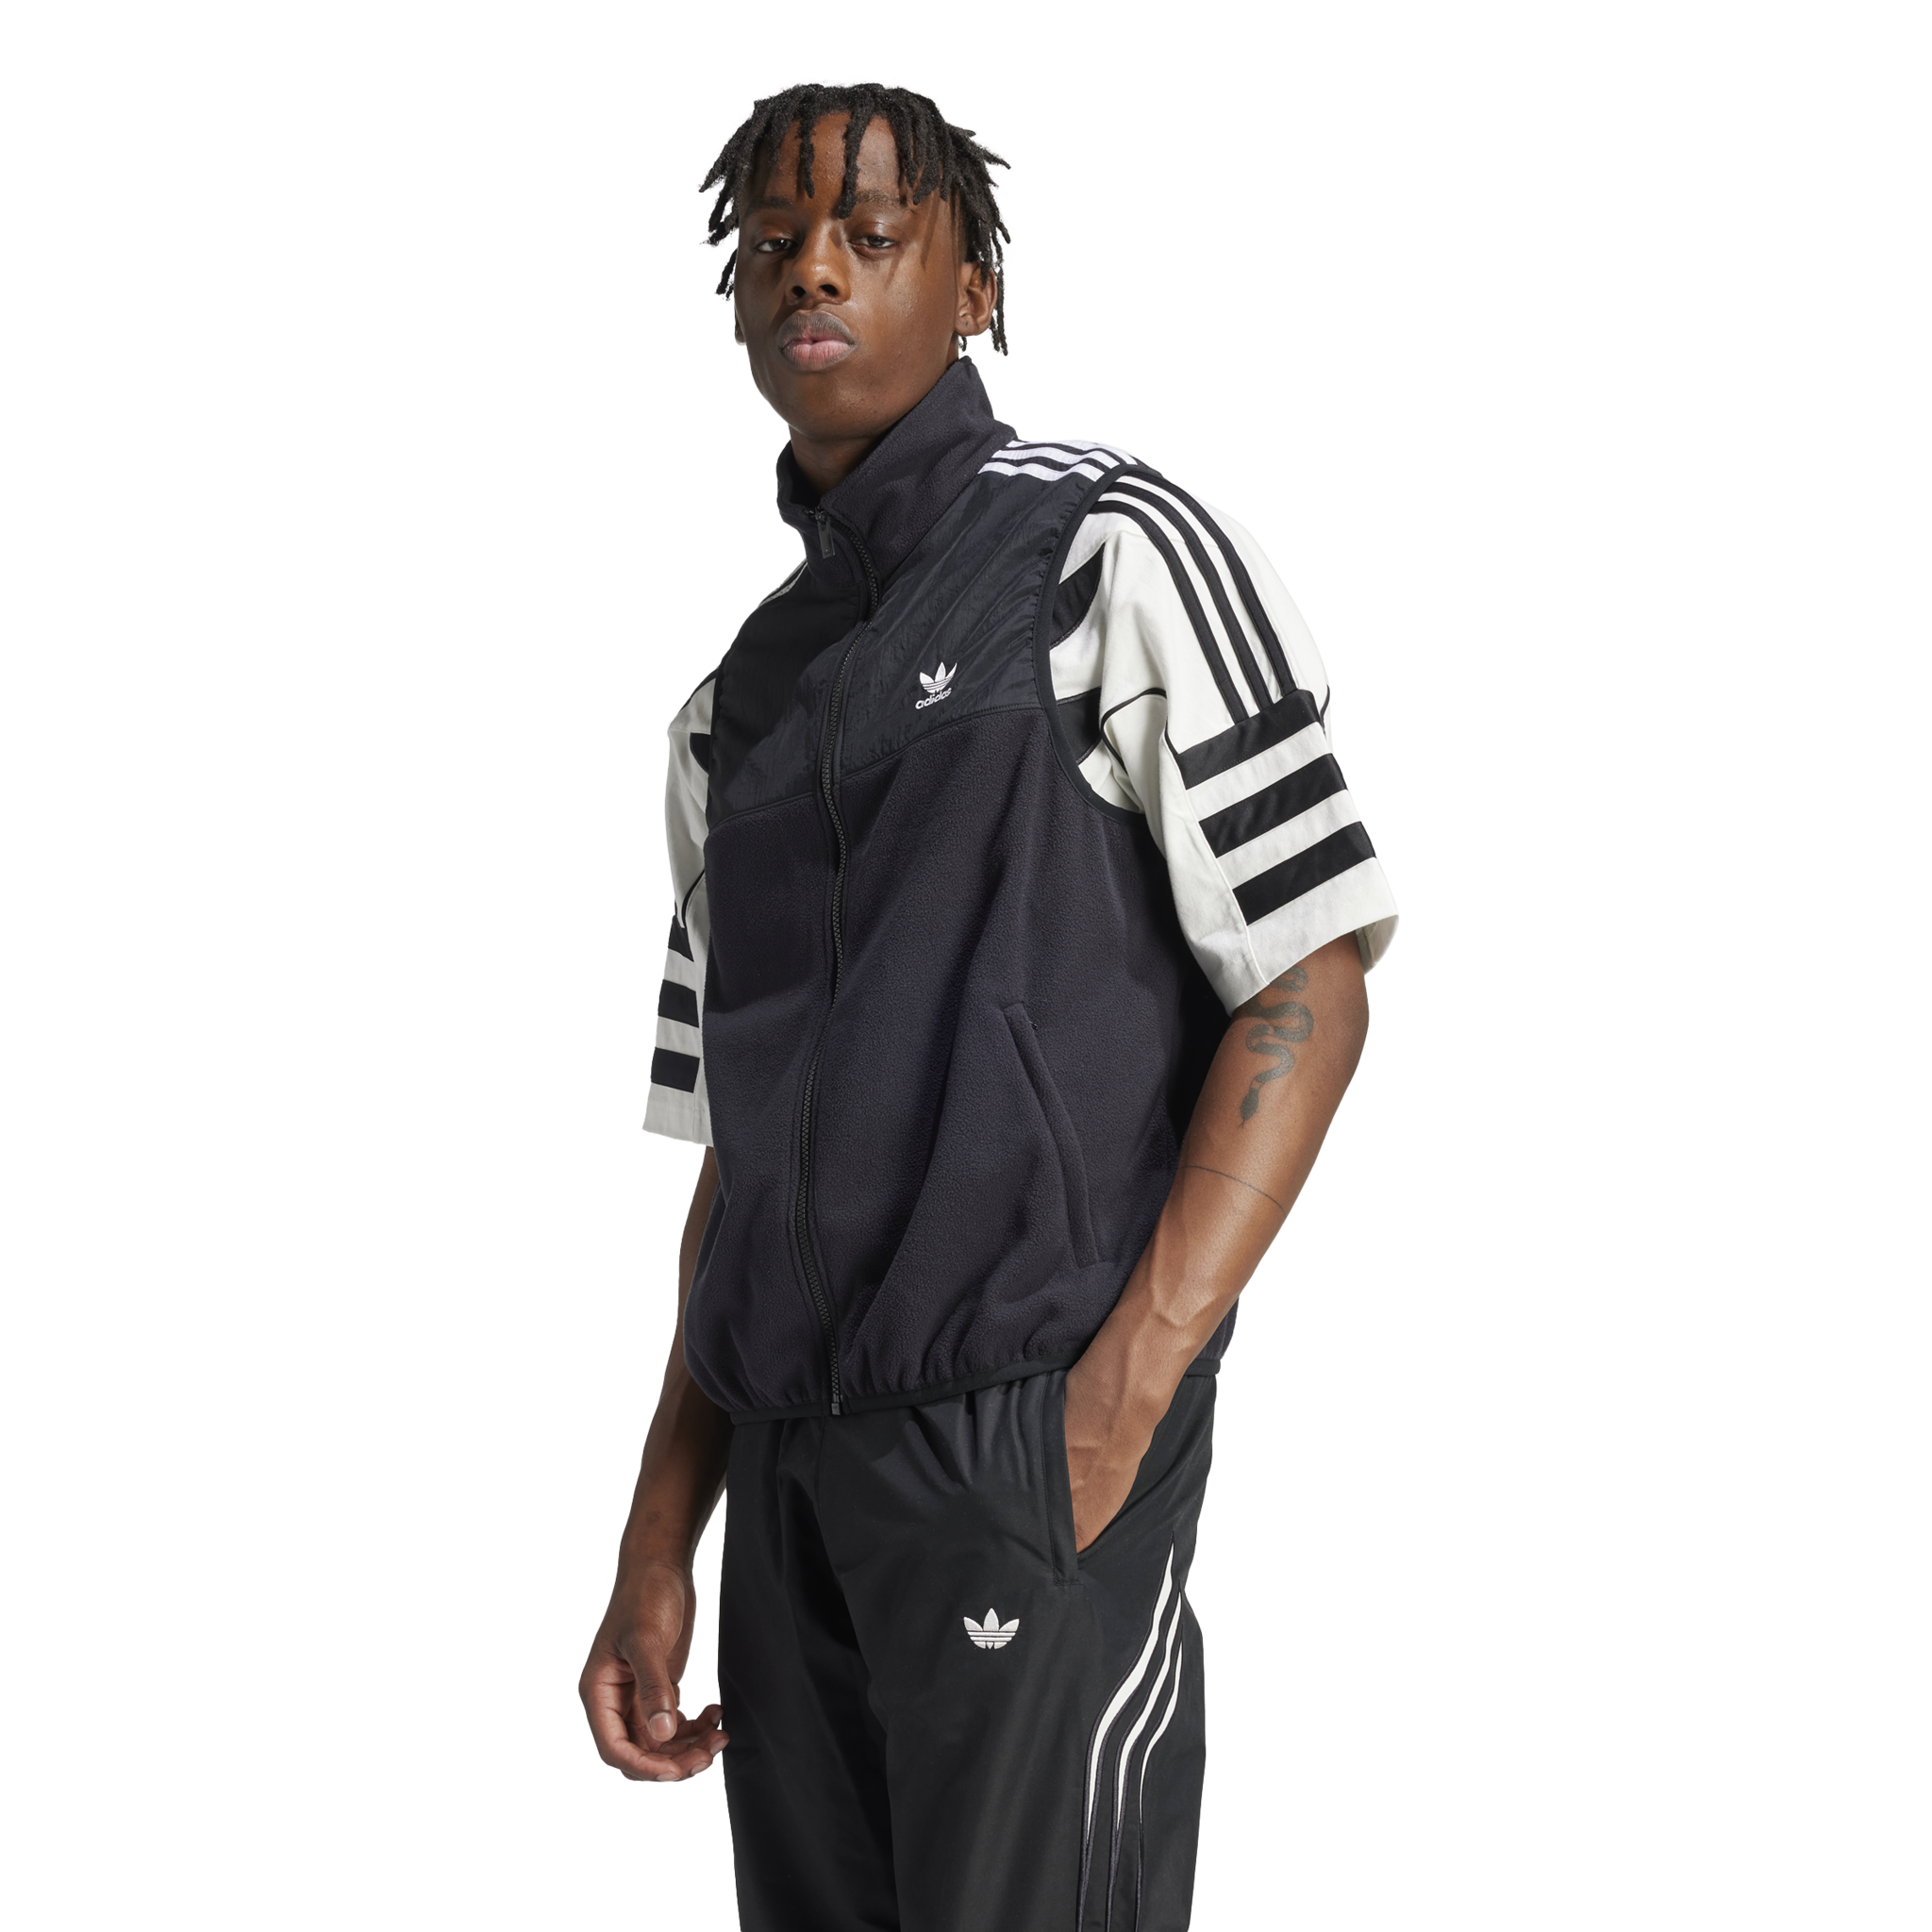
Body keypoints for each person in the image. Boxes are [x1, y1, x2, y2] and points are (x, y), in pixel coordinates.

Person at [578, 75, 1402, 1931]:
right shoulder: (730, 710)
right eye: (772, 243)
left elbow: (1309, 973)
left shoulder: (1110, 547)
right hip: (788, 1479)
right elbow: (735, 1168)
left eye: (871, 237)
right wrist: (660, 1536)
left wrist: (1114, 1406)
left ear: (975, 289)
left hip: (1023, 1431)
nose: (814, 274)